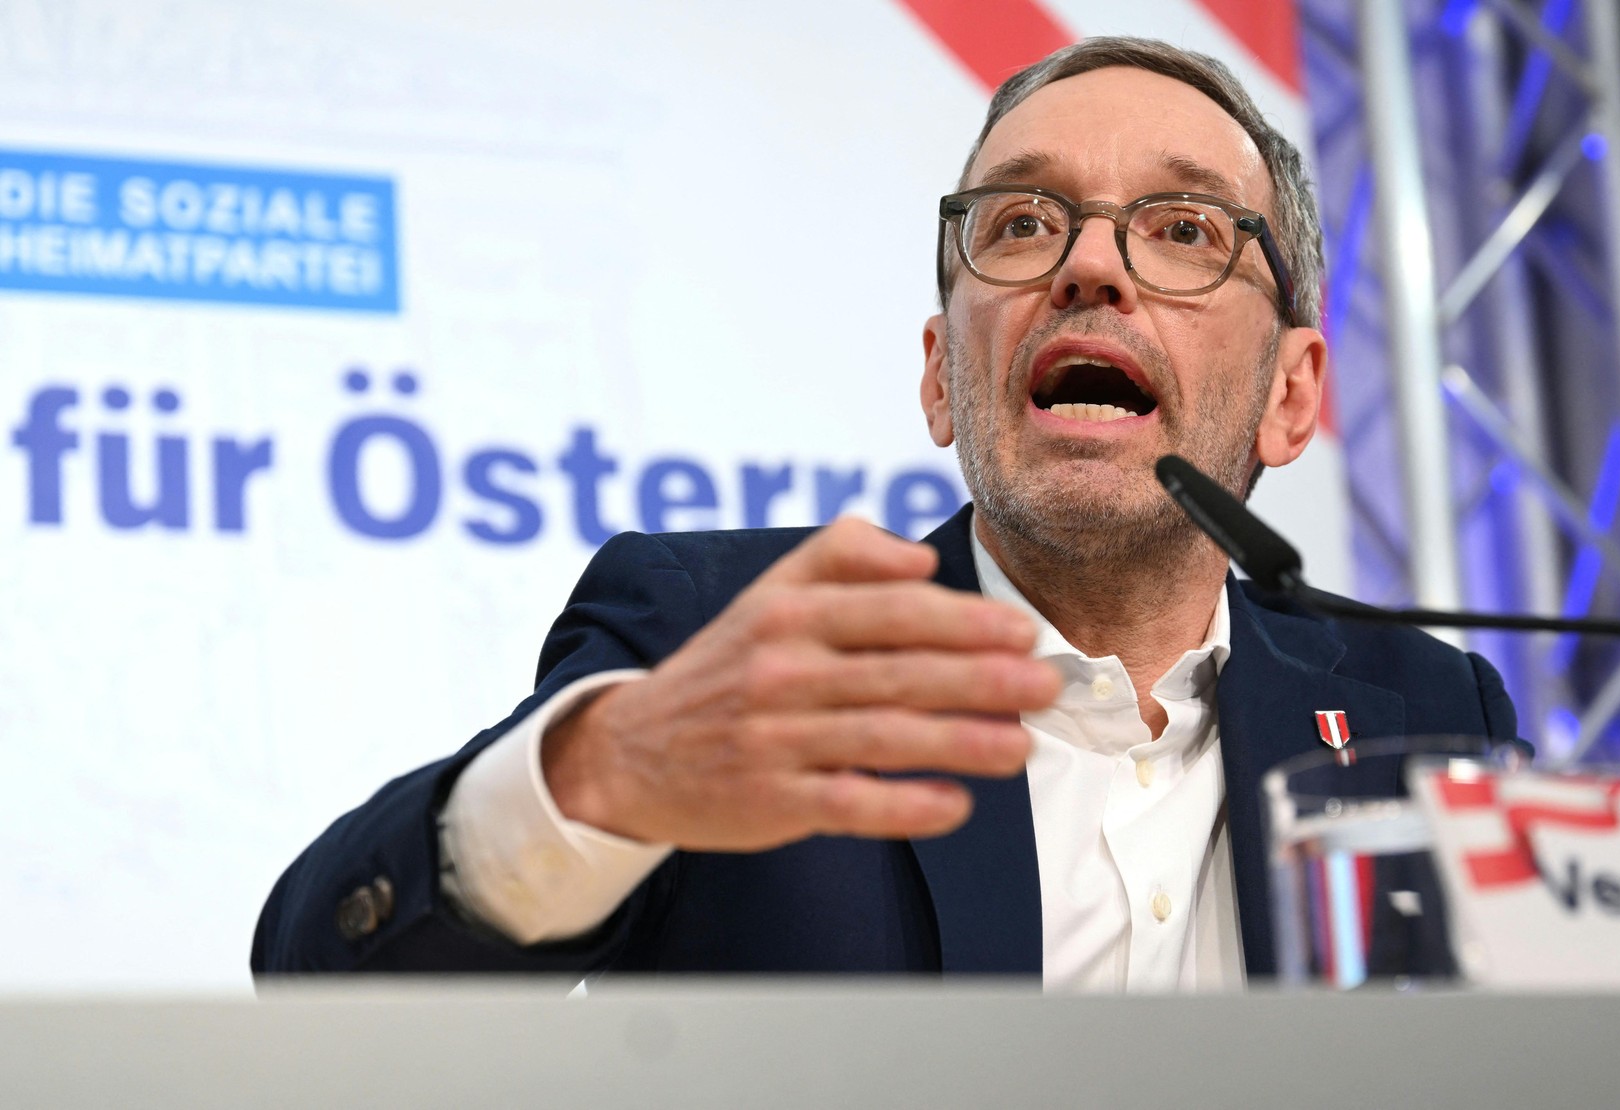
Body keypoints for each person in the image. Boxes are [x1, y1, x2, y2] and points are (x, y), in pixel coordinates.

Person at [252, 37, 1516, 988]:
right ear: (941, 377)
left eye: (1181, 230)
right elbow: (325, 975)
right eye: (1021, 222)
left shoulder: (1427, 707)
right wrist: (608, 772)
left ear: (1292, 396)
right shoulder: (730, 640)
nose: (1088, 266)